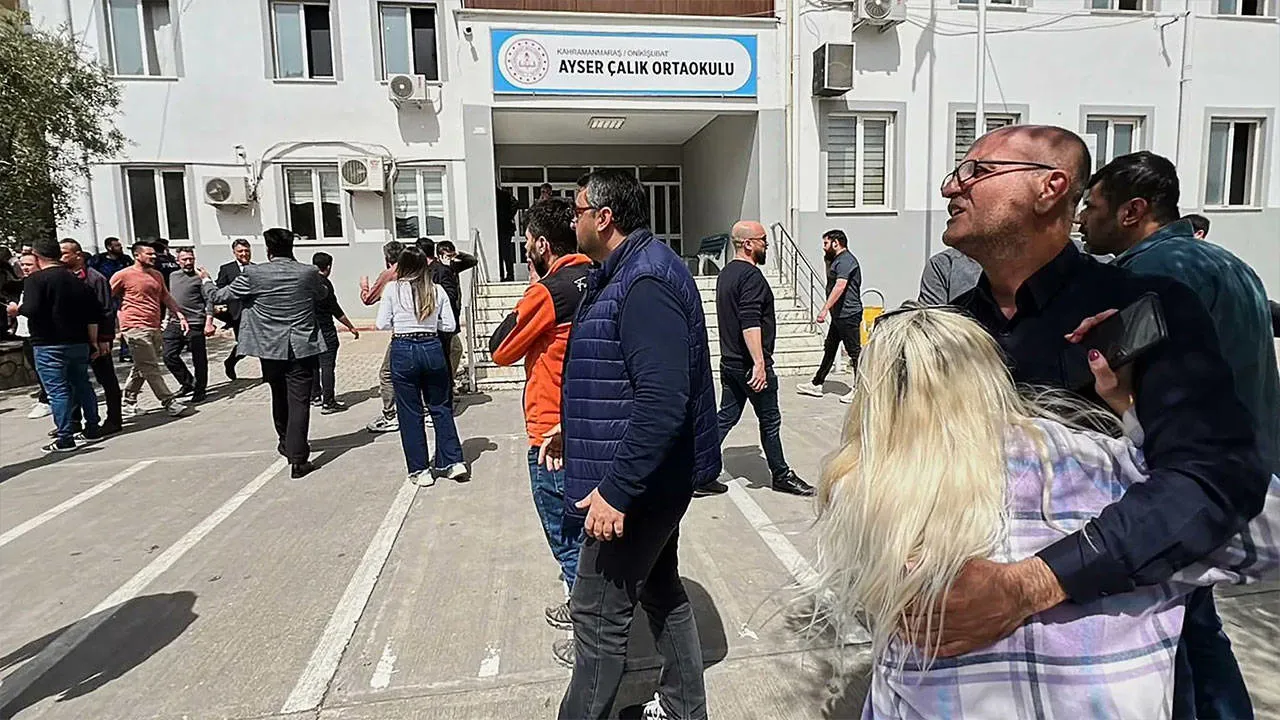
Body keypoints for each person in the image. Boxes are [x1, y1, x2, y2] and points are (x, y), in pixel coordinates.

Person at [934, 125, 1268, 718]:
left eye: (976, 172)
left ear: (1050, 188)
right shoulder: (951, 330)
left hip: (1115, 664)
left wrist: (1033, 584)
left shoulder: (1144, 306)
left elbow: (1213, 479)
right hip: (976, 677)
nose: (949, 187)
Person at [812, 305, 1280, 720]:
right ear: (992, 375)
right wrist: (1143, 413)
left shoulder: (862, 497)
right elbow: (1267, 534)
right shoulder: (1100, 466)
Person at [1078, 150, 1280, 717]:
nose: (1082, 220)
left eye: (1092, 207)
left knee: (1174, 629)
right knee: (1196, 621)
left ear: (1132, 211)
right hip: (1246, 467)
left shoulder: (1150, 276)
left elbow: (1126, 384)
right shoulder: (1227, 261)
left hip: (1190, 476)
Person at [556, 168, 719, 719]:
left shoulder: (645, 280)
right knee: (661, 589)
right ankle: (683, 710)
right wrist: (574, 427)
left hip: (640, 486)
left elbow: (663, 399)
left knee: (596, 617)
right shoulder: (626, 270)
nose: (572, 221)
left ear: (604, 218)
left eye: (578, 211)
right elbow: (621, 376)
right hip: (649, 476)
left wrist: (618, 490)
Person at [488, 197, 591, 654]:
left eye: (528, 240)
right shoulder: (598, 276)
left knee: (568, 538)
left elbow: (500, 349)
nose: (525, 247)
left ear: (543, 245)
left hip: (553, 436)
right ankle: (589, 610)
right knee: (590, 534)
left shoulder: (550, 291)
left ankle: (589, 635)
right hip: (591, 424)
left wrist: (534, 289)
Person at [203, 228, 329, 479]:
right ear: (291, 248)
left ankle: (285, 442)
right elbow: (322, 294)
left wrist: (206, 280)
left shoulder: (254, 273)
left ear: (269, 250)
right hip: (302, 346)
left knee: (278, 395)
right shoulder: (308, 272)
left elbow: (218, 295)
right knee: (300, 402)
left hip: (270, 348)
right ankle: (298, 458)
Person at [701, 221, 812, 498]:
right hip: (749, 365)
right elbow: (749, 322)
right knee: (770, 420)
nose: (767, 245)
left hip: (730, 362)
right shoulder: (751, 277)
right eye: (763, 240)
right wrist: (759, 364)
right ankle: (781, 475)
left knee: (726, 416)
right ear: (748, 244)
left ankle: (698, 471)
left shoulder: (726, 274)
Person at [374, 245, 466, 485]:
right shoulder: (436, 290)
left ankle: (420, 469)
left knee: (410, 412)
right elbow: (449, 325)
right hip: (431, 346)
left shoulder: (392, 289)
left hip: (404, 347)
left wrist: (401, 321)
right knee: (440, 407)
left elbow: (381, 323)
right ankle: (453, 461)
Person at [8, 237, 104, 452]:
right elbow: (92, 313)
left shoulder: (36, 280)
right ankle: (93, 428)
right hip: (78, 341)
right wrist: (94, 341)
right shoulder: (76, 279)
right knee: (82, 385)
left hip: (48, 343)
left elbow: (31, 309)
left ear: (37, 256)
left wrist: (16, 310)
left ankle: (65, 437)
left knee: (58, 391)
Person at [111, 241, 189, 418]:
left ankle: (128, 403)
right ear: (137, 255)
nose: (154, 256)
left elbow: (165, 296)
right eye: (149, 254)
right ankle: (169, 402)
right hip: (134, 327)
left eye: (154, 253)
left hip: (153, 325)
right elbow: (106, 296)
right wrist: (115, 322)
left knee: (142, 365)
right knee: (150, 366)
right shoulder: (123, 275)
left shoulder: (156, 275)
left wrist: (180, 315)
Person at [60, 239, 124, 435]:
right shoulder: (63, 277)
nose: (60, 257)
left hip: (97, 337)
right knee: (72, 380)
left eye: (64, 253)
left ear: (78, 255)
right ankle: (74, 421)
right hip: (73, 338)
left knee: (106, 378)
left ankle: (114, 419)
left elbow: (106, 310)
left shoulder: (95, 278)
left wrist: (104, 338)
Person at [796, 229, 862, 402]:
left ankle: (860, 389)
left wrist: (824, 309)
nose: (823, 247)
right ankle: (817, 384)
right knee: (830, 348)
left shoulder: (846, 261)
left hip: (849, 314)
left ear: (836, 243)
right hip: (839, 315)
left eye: (826, 243)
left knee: (854, 352)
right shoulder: (836, 260)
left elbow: (840, 286)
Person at [360, 240, 405, 433]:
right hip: (427, 331)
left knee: (387, 374)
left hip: (402, 332)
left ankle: (390, 415)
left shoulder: (389, 276)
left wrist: (364, 286)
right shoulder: (418, 272)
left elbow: (369, 300)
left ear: (387, 257)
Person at [163, 247, 216, 403]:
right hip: (175, 322)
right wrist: (166, 319)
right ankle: (187, 383)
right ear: (177, 261)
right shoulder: (173, 276)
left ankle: (200, 389)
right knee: (168, 356)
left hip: (195, 323)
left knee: (199, 359)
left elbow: (210, 300)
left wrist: (209, 323)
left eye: (191, 259)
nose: (188, 262)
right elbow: (169, 298)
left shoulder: (201, 277)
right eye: (184, 259)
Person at [311, 252, 359, 413]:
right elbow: (335, 309)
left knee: (313, 364)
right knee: (327, 366)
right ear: (328, 267)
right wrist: (350, 326)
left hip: (310, 329)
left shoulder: (306, 282)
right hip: (326, 330)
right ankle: (328, 402)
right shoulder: (325, 284)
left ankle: (315, 396)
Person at [13, 251, 51, 420]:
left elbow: (32, 308)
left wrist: (17, 310)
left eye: (29, 264)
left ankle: (46, 400)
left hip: (40, 335)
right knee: (37, 368)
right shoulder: (26, 283)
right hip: (26, 333)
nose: (25, 268)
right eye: (22, 265)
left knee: (44, 370)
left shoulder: (40, 282)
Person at [437, 239, 478, 387]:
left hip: (453, 315)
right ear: (440, 256)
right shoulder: (438, 270)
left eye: (451, 256)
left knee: (454, 350)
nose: (449, 260)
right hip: (444, 318)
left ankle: (449, 381)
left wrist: (458, 254)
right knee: (454, 350)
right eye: (446, 256)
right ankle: (448, 382)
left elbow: (472, 261)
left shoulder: (453, 267)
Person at [215, 239, 254, 381]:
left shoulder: (256, 269)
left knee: (261, 344)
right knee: (243, 344)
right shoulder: (227, 269)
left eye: (247, 251)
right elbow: (220, 288)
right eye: (240, 251)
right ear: (234, 252)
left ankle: (268, 375)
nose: (244, 254)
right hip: (237, 313)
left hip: (255, 313)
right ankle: (231, 362)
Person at [90, 236, 132, 362]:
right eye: (117, 245)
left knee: (126, 324)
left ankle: (126, 352)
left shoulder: (125, 260)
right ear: (109, 247)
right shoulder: (98, 260)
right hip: (105, 296)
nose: (121, 247)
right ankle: (104, 351)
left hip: (122, 296)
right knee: (106, 324)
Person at [496, 186, 519, 282]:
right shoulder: (503, 194)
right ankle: (505, 274)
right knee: (504, 253)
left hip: (504, 228)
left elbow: (515, 203)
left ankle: (508, 274)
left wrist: (508, 216)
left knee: (505, 253)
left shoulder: (503, 194)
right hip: (502, 228)